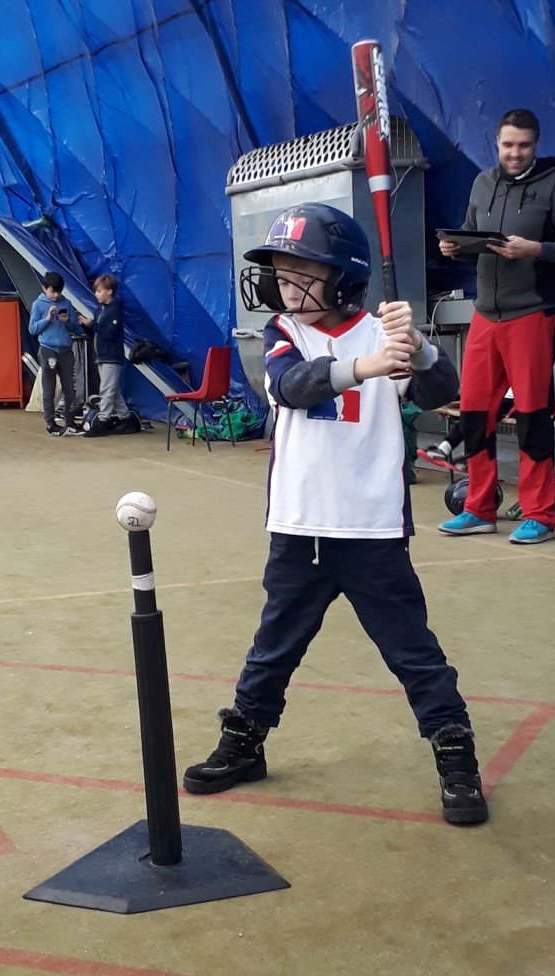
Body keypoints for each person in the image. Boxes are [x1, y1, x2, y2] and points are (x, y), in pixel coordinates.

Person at [183, 202, 488, 826]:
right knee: (273, 648)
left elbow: (441, 393)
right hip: (299, 527)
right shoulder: (282, 333)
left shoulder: (384, 333)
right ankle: (244, 742)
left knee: (413, 651)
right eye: (280, 272)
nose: (283, 285)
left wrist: (420, 348)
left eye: (301, 275)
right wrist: (366, 366)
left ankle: (456, 755)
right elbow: (293, 387)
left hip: (372, 529)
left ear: (344, 278)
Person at [438, 108, 555, 544]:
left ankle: (540, 515)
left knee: (532, 416)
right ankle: (479, 507)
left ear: (536, 144)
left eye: (524, 145)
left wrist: (535, 249)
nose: (515, 152)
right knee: (473, 413)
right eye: (508, 144)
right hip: (486, 315)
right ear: (497, 143)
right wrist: (456, 246)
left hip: (532, 314)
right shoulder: (482, 182)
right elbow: (474, 234)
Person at [28, 271, 83, 436]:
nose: (56, 295)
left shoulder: (67, 303)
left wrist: (69, 322)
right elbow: (32, 329)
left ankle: (69, 421)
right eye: (53, 291)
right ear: (44, 288)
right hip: (47, 349)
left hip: (66, 350)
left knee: (70, 388)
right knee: (49, 387)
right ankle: (50, 423)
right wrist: (47, 318)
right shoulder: (38, 304)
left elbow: (77, 329)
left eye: (59, 291)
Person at [77, 273, 130, 436]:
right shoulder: (100, 310)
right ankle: (125, 418)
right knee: (112, 390)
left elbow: (109, 333)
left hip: (112, 357)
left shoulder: (115, 311)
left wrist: (92, 324)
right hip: (101, 355)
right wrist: (88, 326)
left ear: (109, 291)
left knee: (106, 390)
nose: (96, 294)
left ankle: (102, 421)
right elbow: (97, 332)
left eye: (99, 291)